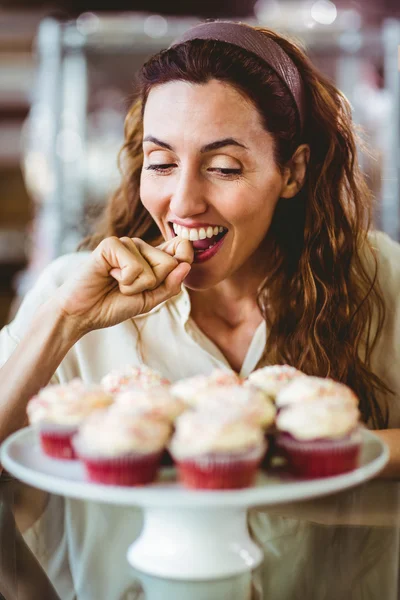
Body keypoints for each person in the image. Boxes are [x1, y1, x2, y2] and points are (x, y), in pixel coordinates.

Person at [0, 20, 399, 600]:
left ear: (293, 171)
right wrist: (66, 319)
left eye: (224, 167)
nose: (183, 202)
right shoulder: (72, 290)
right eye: (161, 163)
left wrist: (281, 451)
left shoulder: (382, 278)